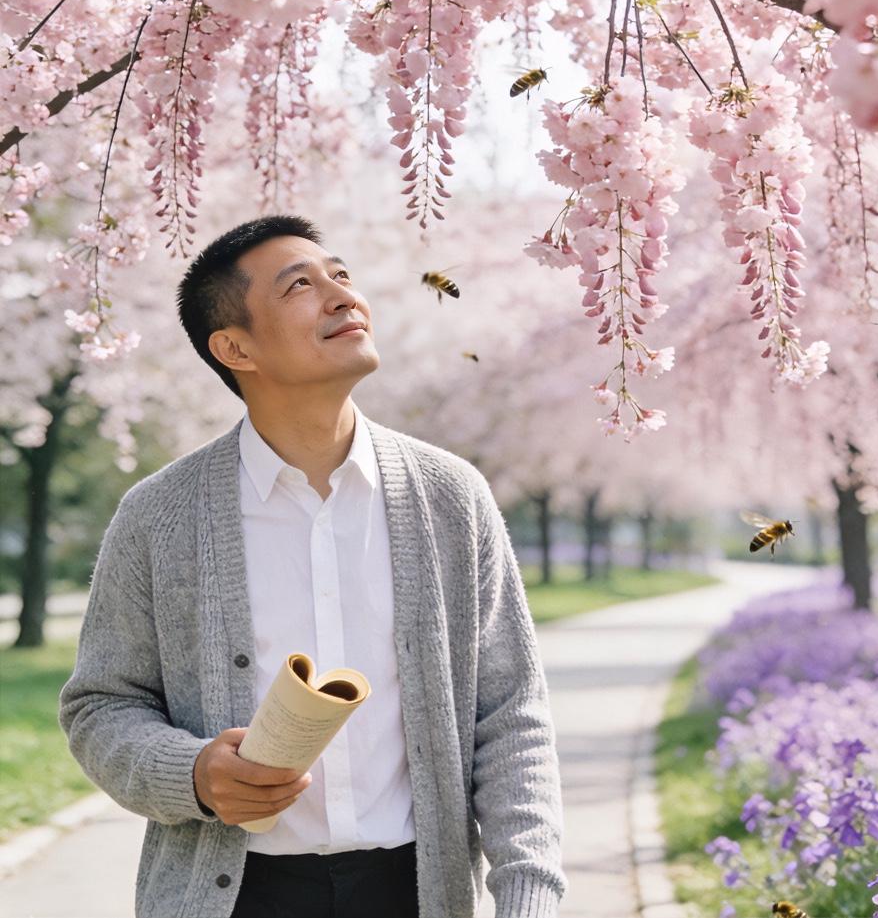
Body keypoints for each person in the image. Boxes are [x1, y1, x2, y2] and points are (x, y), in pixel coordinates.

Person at [58, 216, 567, 918]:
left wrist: (527, 890)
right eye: (301, 285)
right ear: (235, 346)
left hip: (416, 890)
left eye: (342, 275)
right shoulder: (159, 514)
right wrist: (194, 773)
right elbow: (101, 705)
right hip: (233, 896)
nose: (342, 297)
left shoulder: (449, 495)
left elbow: (509, 713)